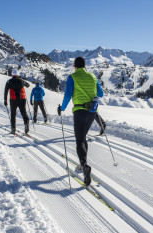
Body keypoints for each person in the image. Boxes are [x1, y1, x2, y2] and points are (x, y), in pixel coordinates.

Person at [57, 57, 103, 186]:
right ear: (84, 66)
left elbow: (67, 95)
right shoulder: (93, 77)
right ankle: (83, 163)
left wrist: (62, 108)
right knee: (83, 138)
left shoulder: (72, 77)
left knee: (80, 140)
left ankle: (84, 165)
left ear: (75, 66)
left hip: (79, 111)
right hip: (92, 112)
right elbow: (100, 93)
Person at [4, 69, 30, 134]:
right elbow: (28, 85)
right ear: (17, 74)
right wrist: (23, 83)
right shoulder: (21, 80)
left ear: (12, 74)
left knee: (13, 114)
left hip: (13, 100)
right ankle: (26, 124)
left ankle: (13, 129)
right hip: (22, 99)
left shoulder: (9, 82)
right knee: (23, 112)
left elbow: (6, 91)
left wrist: (5, 100)